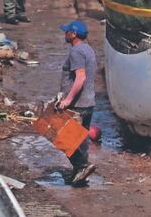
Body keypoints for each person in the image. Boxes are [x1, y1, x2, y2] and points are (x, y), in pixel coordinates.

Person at [58, 20, 97, 187]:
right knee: (81, 140)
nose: (65, 34)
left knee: (64, 138)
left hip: (78, 104)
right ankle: (79, 173)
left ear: (73, 34)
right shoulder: (88, 49)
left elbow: (80, 77)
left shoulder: (76, 51)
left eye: (67, 32)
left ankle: (82, 166)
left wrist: (67, 100)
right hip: (89, 102)